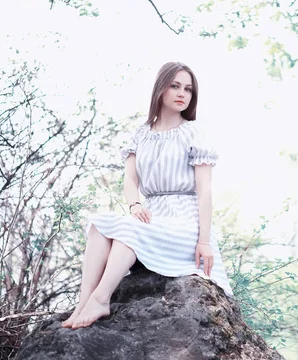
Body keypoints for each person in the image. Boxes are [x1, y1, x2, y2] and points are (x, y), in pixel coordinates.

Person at [62, 61, 234, 330]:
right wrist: (134, 204)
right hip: (153, 212)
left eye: (188, 89)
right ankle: (84, 301)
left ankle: (101, 299)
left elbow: (205, 191)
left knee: (129, 233)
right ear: (160, 89)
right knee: (99, 226)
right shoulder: (141, 134)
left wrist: (204, 242)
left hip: (185, 219)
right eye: (175, 86)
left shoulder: (195, 132)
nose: (182, 94)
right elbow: (130, 179)